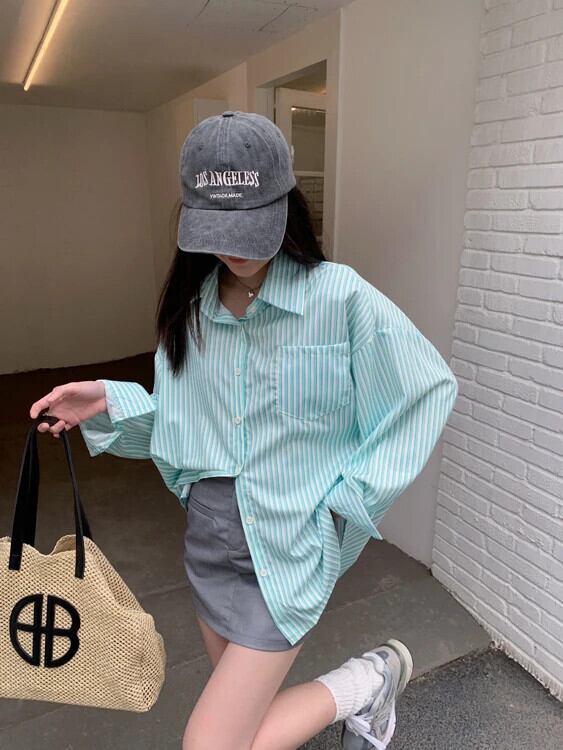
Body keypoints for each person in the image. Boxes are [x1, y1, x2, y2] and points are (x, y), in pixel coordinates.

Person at [29, 111, 458, 750]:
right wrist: (109, 399)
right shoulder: (192, 310)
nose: (236, 248)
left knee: (213, 742)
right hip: (209, 544)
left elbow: (426, 389)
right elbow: (188, 429)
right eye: (219, 230)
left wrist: (348, 500)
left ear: (286, 207)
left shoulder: (338, 297)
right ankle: (368, 688)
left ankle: (365, 681)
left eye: (250, 225)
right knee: (244, 730)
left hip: (288, 548)